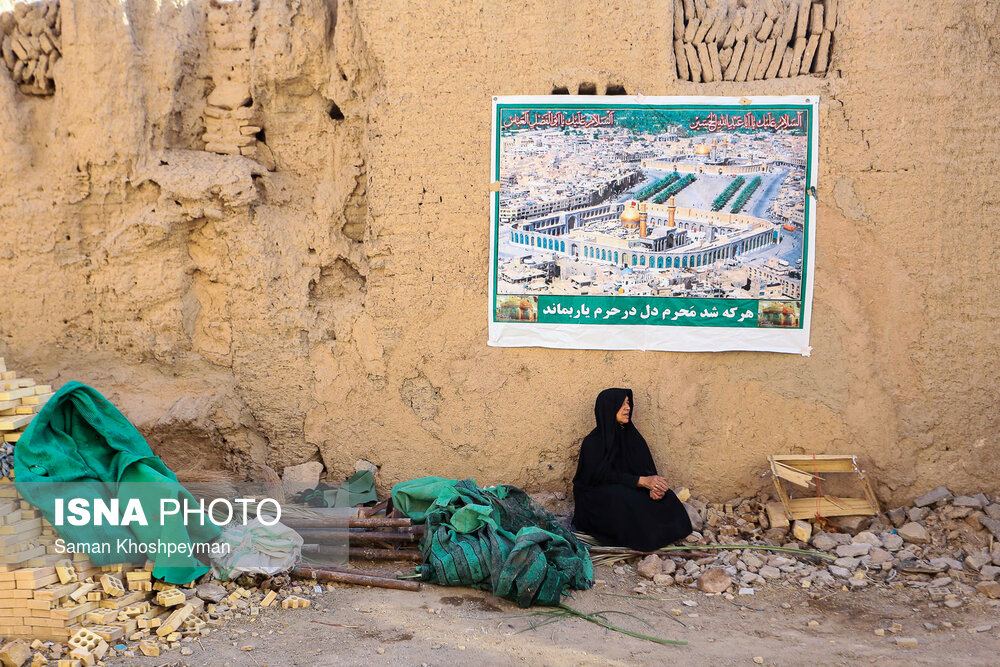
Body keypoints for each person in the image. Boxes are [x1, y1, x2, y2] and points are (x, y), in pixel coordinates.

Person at [572, 387, 692, 551]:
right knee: (626, 500)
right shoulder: (593, 442)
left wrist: (655, 486)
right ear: (608, 408)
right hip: (597, 495)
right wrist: (641, 482)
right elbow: (597, 477)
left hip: (631, 486)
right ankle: (647, 538)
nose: (628, 408)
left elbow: (645, 467)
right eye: (622, 404)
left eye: (628, 403)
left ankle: (659, 534)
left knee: (668, 497)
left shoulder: (632, 436)